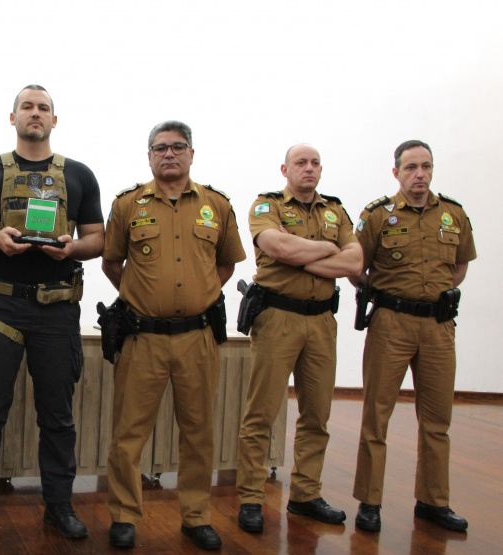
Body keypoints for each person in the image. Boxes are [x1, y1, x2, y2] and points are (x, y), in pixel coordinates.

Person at [0, 85, 104, 540]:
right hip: (0, 307)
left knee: (58, 416)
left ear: (55, 120)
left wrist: (74, 247)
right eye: (27, 107)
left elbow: (98, 238)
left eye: (43, 108)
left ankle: (58, 505)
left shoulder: (78, 175)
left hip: (56, 310)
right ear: (11, 116)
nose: (35, 114)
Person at [101, 121, 246, 550]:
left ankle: (196, 515)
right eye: (160, 147)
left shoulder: (216, 205)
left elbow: (226, 266)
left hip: (197, 338)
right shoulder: (128, 204)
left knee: (199, 432)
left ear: (191, 154)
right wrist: (144, 297)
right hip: (141, 338)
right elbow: (112, 263)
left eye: (178, 147)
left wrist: (197, 296)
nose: (169, 154)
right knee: (128, 433)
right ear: (149, 156)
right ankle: (125, 515)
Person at [349, 140, 476, 533]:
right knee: (377, 416)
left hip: (439, 327)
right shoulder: (375, 216)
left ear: (432, 170)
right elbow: (356, 266)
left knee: (438, 420)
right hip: (392, 323)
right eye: (410, 168)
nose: (419, 174)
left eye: (425, 166)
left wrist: (435, 300)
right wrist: (382, 293)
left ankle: (433, 501)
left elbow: (459, 267)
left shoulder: (453, 214)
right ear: (396, 173)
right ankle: (370, 501)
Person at [235, 144, 362, 535]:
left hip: (322, 322)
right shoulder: (266, 205)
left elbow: (355, 261)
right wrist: (328, 249)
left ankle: (306, 494)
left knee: (317, 415)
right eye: (301, 163)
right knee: (261, 413)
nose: (309, 168)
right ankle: (252, 497)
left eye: (315, 163)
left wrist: (301, 255)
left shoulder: (335, 211)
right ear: (285, 169)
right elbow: (276, 246)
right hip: (278, 318)